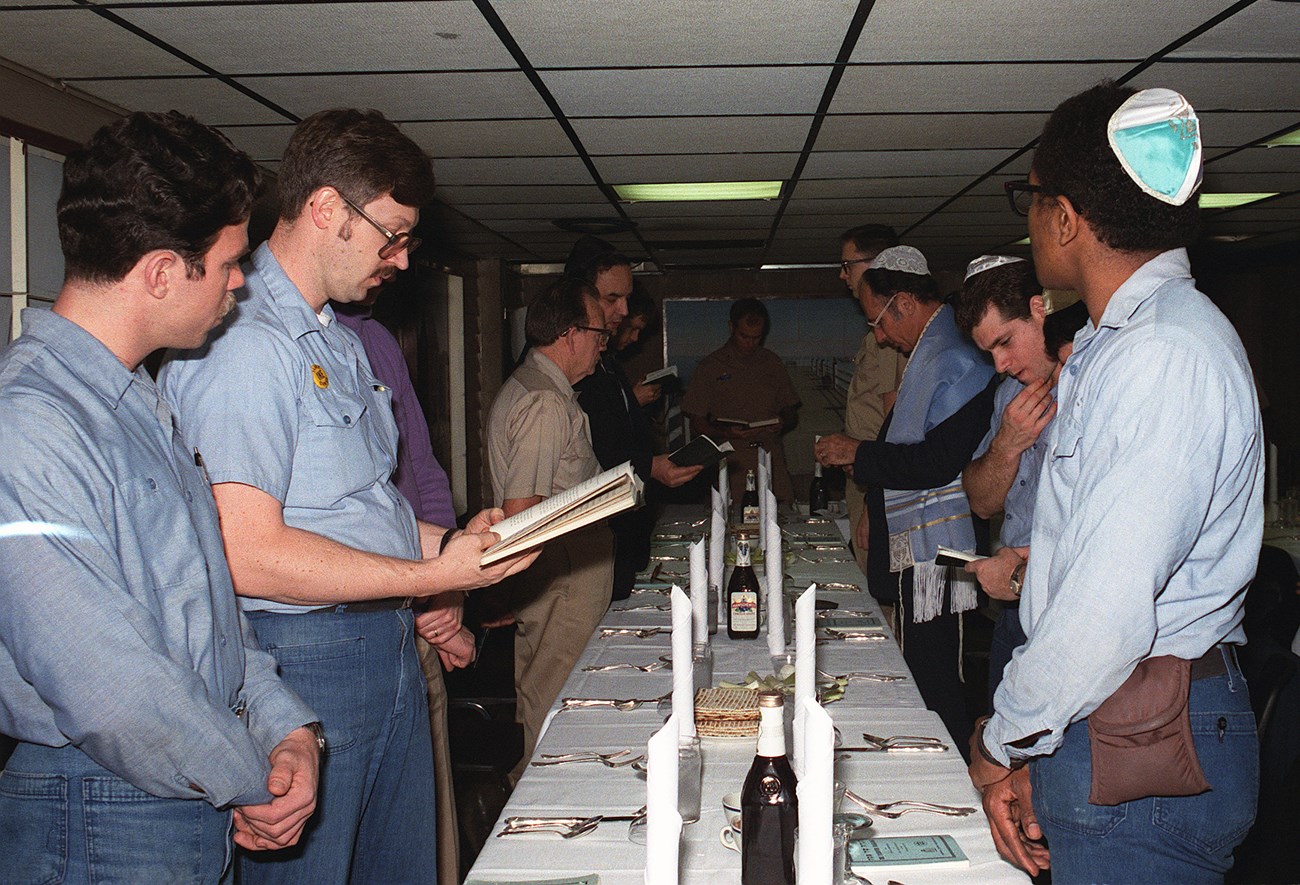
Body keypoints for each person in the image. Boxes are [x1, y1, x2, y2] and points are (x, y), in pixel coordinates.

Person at [160, 108, 537, 884]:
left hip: (382, 649)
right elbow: (245, 553)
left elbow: (361, 513)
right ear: (327, 208)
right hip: (300, 664)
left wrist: (459, 542)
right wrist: (436, 578)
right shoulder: (246, 344)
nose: (398, 260)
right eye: (390, 235)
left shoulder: (335, 336)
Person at [0, 111, 319, 882]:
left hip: (182, 787)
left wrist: (291, 732)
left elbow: (209, 620)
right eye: (228, 262)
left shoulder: (140, 404)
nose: (241, 282)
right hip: (101, 807)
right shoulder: (29, 422)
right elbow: (103, 681)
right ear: (162, 272)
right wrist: (247, 773)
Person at [967, 83, 1262, 884]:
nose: (1026, 220)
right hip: (1119, 723)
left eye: (1029, 199)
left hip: (1151, 739)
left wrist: (1003, 739)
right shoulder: (1119, 342)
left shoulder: (1162, 353)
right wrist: (1046, 749)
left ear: (1064, 219)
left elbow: (1106, 607)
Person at [814, 246, 995, 753]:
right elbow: (903, 451)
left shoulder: (955, 360)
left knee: (941, 682)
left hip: (946, 555)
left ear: (905, 304)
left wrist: (860, 453)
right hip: (923, 554)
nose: (878, 335)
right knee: (922, 674)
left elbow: (936, 462)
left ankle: (958, 775)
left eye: (878, 321)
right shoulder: (926, 358)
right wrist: (870, 482)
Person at [332, 288, 467, 885]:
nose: (402, 263)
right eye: (390, 237)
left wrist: (447, 590)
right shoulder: (267, 340)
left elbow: (422, 474)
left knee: (422, 840)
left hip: (414, 606)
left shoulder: (376, 338)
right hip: (336, 628)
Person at [487, 278, 617, 781]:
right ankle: (537, 816)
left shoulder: (541, 387)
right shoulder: (544, 401)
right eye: (598, 334)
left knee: (553, 699)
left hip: (563, 573)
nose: (602, 346)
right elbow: (524, 511)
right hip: (562, 577)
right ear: (570, 333)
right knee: (554, 708)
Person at [953, 256, 1088, 704]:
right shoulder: (1010, 393)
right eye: (988, 352)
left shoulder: (1095, 389)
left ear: (1039, 309)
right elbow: (981, 502)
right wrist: (1007, 444)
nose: (1000, 364)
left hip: (1073, 609)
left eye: (1005, 342)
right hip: (1014, 606)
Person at [567, 238, 702, 601]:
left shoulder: (605, 358)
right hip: (584, 546)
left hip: (619, 529)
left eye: (626, 298)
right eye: (613, 299)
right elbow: (592, 451)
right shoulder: (567, 369)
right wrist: (650, 466)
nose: (624, 311)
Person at [682, 298, 801, 502]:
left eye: (757, 338)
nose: (750, 343)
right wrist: (726, 432)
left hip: (771, 460)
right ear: (731, 327)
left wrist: (783, 421)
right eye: (744, 336)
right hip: (732, 462)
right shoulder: (710, 367)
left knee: (782, 518)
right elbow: (697, 424)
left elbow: (790, 410)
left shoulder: (772, 363)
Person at [838, 224, 907, 575]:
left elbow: (895, 426)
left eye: (847, 265)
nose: (842, 275)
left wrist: (873, 504)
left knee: (880, 595)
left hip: (879, 486)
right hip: (867, 476)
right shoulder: (877, 331)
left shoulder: (892, 333)